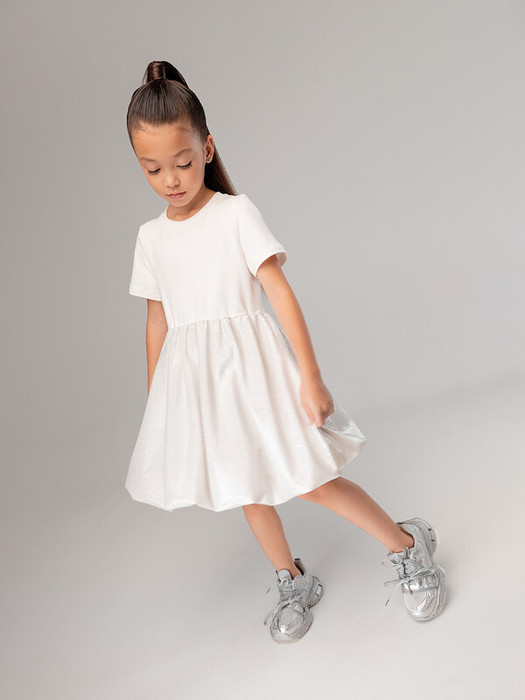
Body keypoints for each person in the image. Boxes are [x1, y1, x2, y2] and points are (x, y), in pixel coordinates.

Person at [124, 59, 447, 643]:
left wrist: (311, 377)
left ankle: (407, 546)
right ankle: (291, 579)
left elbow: (279, 292)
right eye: (153, 169)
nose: (171, 179)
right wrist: (159, 403)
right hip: (205, 388)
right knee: (244, 487)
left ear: (207, 148)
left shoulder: (235, 214)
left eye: (183, 162)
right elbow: (157, 320)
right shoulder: (151, 238)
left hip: (256, 374)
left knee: (312, 478)